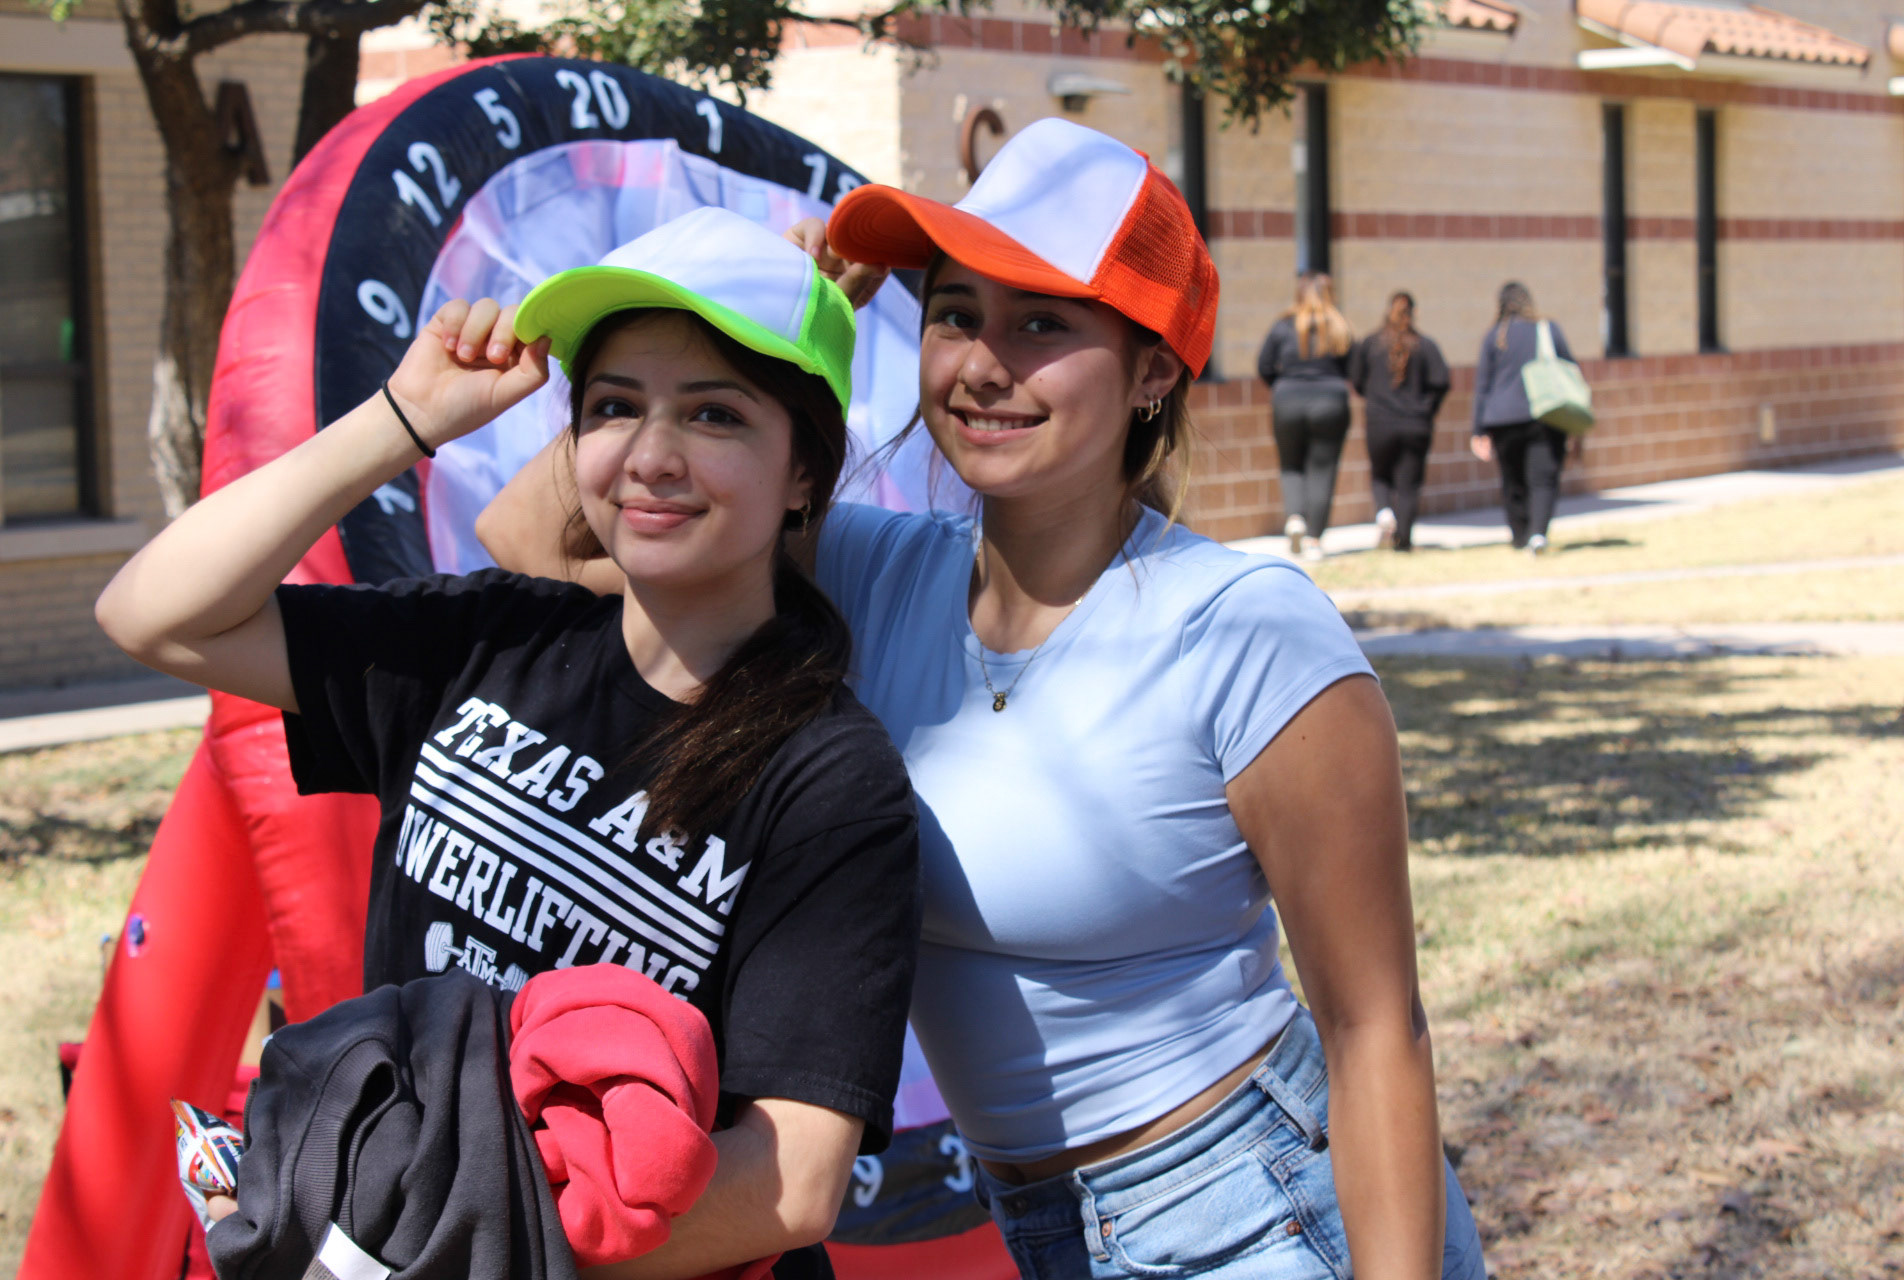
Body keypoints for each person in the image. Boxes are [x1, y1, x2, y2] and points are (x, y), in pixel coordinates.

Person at [482, 120, 1484, 1280]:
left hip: (1260, 1210)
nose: (982, 365)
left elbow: (1375, 1028)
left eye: (1041, 323)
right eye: (955, 313)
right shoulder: (864, 571)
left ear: (1154, 368)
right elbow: (537, 542)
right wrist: (766, 324)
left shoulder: (1246, 629)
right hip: (1045, 1230)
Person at [95, 208, 922, 1280]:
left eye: (714, 414)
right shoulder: (489, 637)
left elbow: (791, 1180)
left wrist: (443, 1249)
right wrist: (401, 418)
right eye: (614, 406)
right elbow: (154, 616)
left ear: (805, 471)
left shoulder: (831, 777)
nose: (651, 456)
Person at [1471, 281, 1579, 555]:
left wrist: (1478, 430)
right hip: (1544, 415)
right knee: (1542, 479)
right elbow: (1570, 370)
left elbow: (1482, 386)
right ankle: (1537, 534)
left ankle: (1520, 537)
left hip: (1502, 420)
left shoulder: (1494, 336)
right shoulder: (1547, 329)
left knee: (1513, 481)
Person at [1256, 272, 1354, 563]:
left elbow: (1264, 365)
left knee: (1290, 465)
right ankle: (1314, 540)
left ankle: (1296, 518)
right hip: (1330, 402)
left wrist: (1284, 387)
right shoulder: (1340, 326)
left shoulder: (1282, 326)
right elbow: (1354, 369)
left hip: (1288, 400)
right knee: (1323, 469)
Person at [1349, 292, 1451, 552]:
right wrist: (1427, 409)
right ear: (1414, 314)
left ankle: (1384, 512)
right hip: (1415, 425)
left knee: (1380, 475)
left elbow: (1356, 380)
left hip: (1379, 423)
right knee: (1408, 484)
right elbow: (1442, 381)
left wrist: (1375, 399)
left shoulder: (1371, 344)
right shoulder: (1425, 345)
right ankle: (1403, 541)